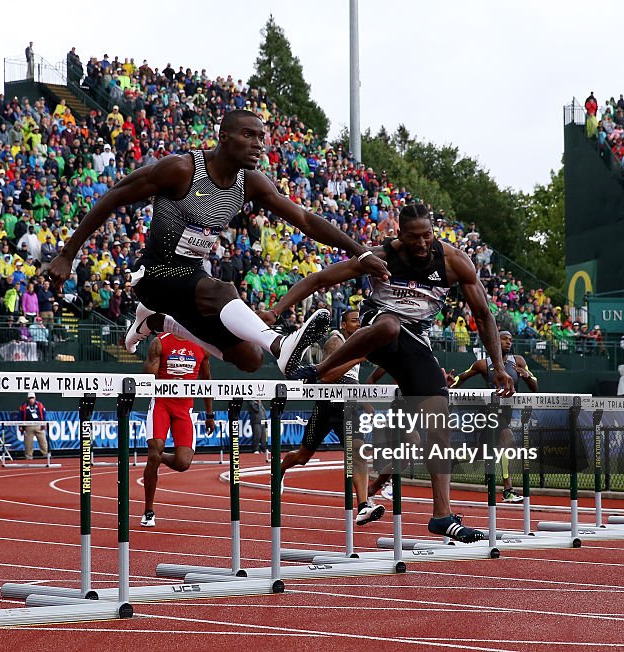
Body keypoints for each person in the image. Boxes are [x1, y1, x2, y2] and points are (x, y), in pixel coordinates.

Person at [46, 109, 390, 379]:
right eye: (248, 135)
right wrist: (67, 254)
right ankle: (281, 343)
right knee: (224, 290)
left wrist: (359, 251)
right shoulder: (181, 170)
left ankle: (154, 323)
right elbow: (113, 197)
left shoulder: (251, 182)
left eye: (262, 137)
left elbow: (305, 219)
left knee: (249, 359)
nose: (258, 144)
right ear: (223, 137)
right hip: (157, 276)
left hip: (190, 285)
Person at [260, 203, 515, 543]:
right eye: (414, 238)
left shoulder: (454, 262)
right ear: (399, 235)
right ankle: (318, 372)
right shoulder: (380, 256)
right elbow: (321, 278)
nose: (422, 244)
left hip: (415, 343)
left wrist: (498, 367)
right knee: (390, 326)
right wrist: (276, 311)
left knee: (439, 421)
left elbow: (483, 315)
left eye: (427, 236)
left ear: (434, 232)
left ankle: (441, 516)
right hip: (377, 328)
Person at [275, 309, 385, 526]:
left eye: (360, 322)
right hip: (327, 407)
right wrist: (358, 359)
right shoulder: (336, 341)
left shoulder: (359, 343)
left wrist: (366, 403)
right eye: (354, 322)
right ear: (344, 324)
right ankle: (279, 469)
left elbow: (352, 381)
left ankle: (363, 506)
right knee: (303, 457)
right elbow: (327, 376)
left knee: (358, 452)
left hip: (349, 407)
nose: (358, 325)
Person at [446, 330, 537, 503]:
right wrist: (450, 384)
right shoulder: (484, 364)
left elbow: (535, 385)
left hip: (507, 412)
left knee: (481, 453)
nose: (508, 342)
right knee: (507, 440)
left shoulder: (518, 361)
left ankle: (453, 459)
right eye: (504, 339)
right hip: (488, 411)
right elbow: (462, 377)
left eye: (510, 340)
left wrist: (527, 377)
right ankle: (508, 489)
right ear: (495, 340)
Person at [141, 332, 214, 527]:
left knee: (183, 463)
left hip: (184, 408)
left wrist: (209, 415)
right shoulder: (160, 342)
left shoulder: (202, 346)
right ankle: (149, 510)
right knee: (154, 449)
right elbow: (148, 379)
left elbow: (207, 382)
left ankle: (156, 456)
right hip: (161, 405)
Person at [18, 392, 49, 459]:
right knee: (28, 442)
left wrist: (44, 423)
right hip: (28, 425)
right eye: (30, 398)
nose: (31, 399)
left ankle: (45, 453)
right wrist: (20, 425)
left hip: (39, 425)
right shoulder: (23, 406)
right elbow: (20, 416)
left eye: (32, 398)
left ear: (35, 398)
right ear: (27, 398)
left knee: (43, 440)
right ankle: (29, 455)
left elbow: (44, 414)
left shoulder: (40, 405)